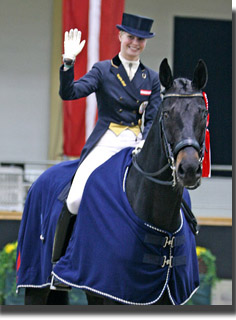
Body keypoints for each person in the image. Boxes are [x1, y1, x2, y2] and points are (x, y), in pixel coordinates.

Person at [51, 13, 162, 269]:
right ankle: (61, 262)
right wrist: (69, 62)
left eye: (141, 39)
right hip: (107, 139)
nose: (135, 43)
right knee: (75, 198)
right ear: (120, 36)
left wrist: (144, 141)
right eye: (131, 37)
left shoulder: (152, 78)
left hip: (135, 144)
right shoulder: (103, 70)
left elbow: (153, 116)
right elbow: (69, 93)